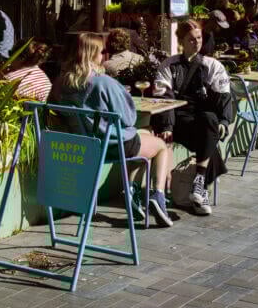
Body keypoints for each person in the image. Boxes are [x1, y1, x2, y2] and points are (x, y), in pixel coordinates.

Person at [48, 31, 173, 227]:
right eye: (101, 52)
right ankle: (157, 194)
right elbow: (129, 118)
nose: (103, 56)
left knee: (144, 134)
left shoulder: (60, 83)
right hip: (112, 145)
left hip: (83, 146)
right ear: (91, 54)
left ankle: (131, 189)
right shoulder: (103, 83)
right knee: (160, 145)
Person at [152, 19, 233, 217]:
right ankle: (201, 191)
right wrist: (167, 126)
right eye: (191, 39)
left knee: (210, 122)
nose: (196, 42)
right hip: (177, 121)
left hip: (202, 123)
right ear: (181, 41)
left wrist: (224, 120)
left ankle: (199, 183)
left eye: (199, 38)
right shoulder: (169, 65)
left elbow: (224, 95)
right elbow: (164, 99)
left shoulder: (212, 65)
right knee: (210, 138)